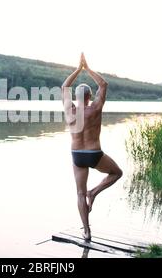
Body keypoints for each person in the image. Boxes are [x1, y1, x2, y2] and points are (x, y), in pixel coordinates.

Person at [61, 52, 123, 241]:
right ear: (89, 96)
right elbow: (103, 84)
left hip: (77, 155)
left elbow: (65, 86)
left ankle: (87, 232)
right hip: (94, 153)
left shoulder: (69, 109)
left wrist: (77, 70)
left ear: (76, 96)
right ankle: (94, 192)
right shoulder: (95, 108)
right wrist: (87, 68)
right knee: (117, 173)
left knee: (79, 194)